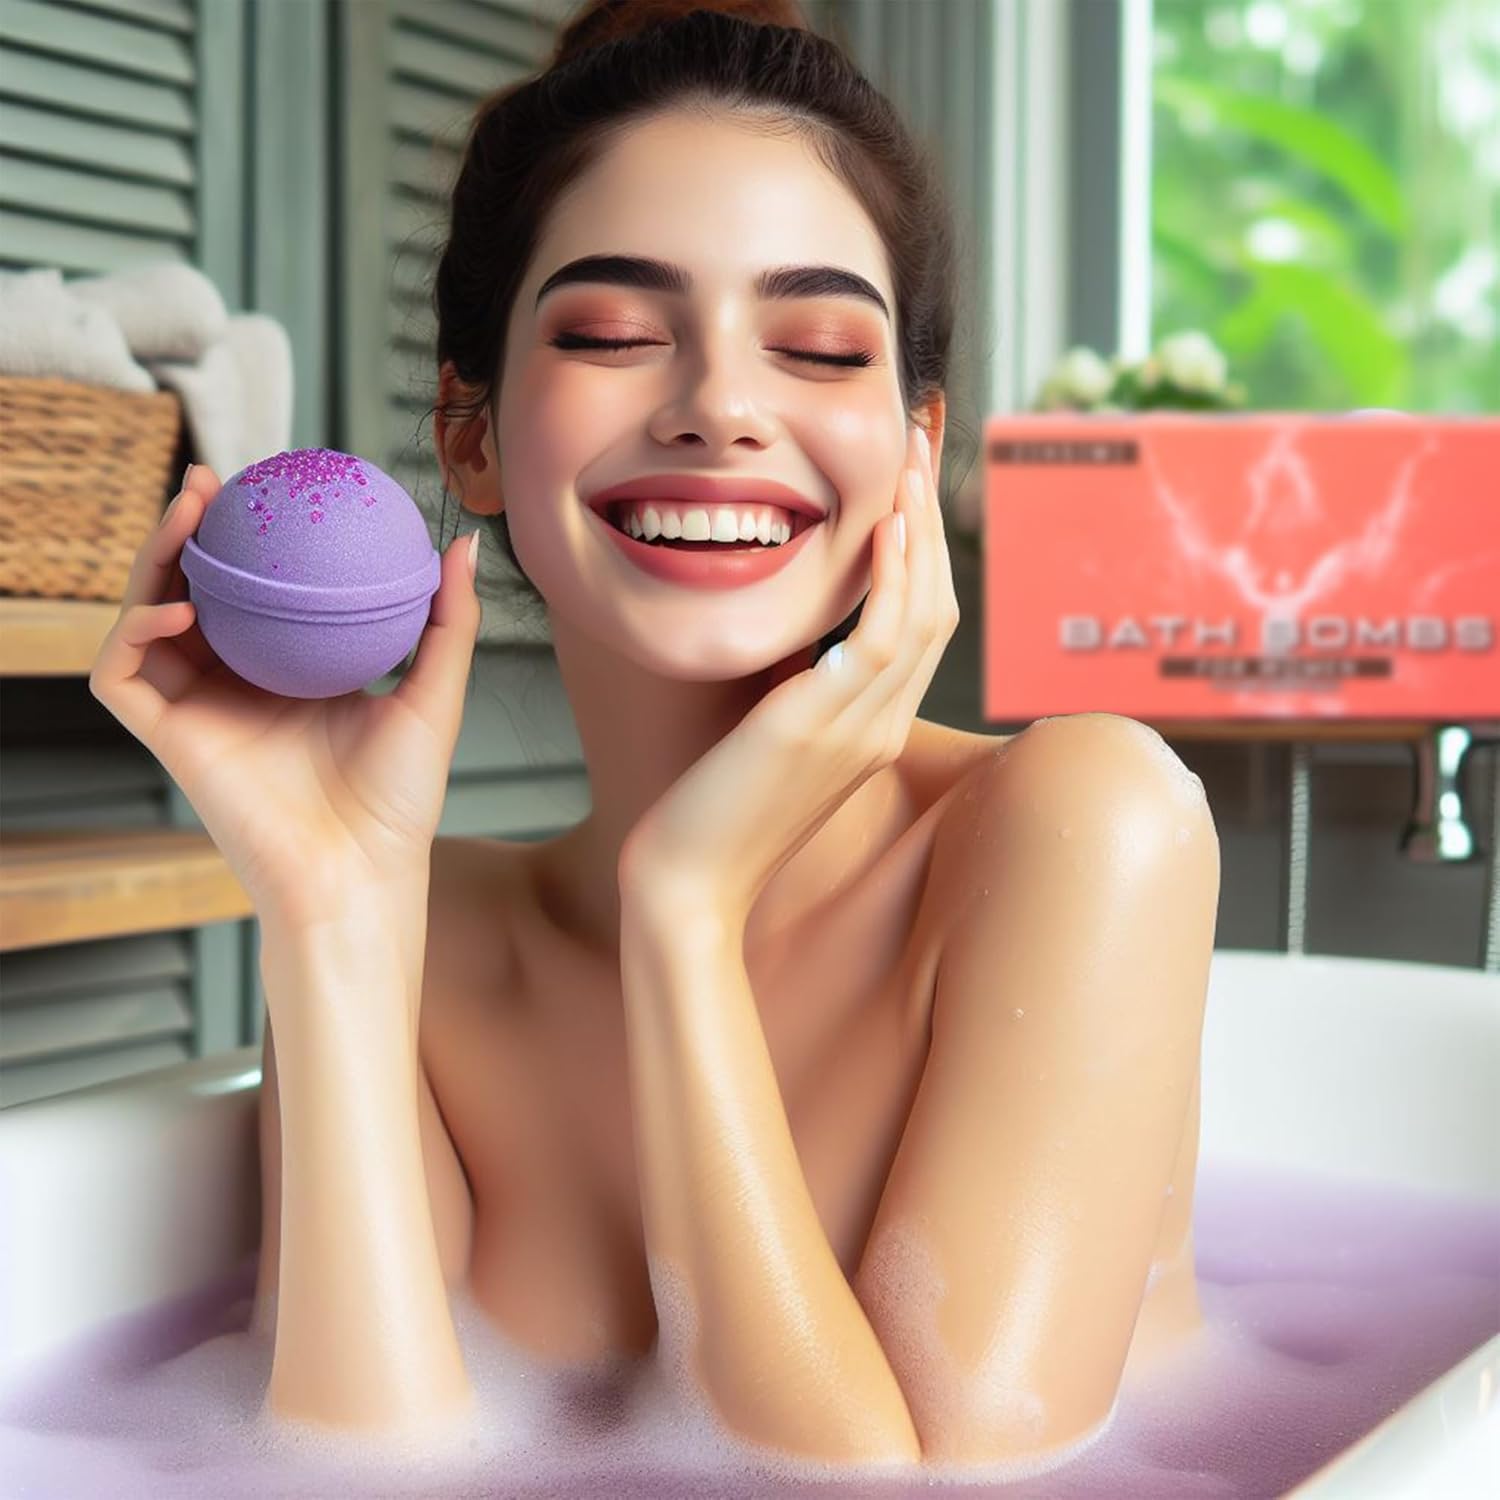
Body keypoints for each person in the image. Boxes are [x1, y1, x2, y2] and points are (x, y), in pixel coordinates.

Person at [88, 0, 1220, 1470]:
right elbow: (341, 1467)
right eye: (618, 332)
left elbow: (919, 1484)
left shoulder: (1079, 823)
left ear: (916, 453)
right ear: (471, 436)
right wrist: (331, 902)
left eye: (816, 348)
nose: (721, 407)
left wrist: (682, 913)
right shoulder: (424, 930)